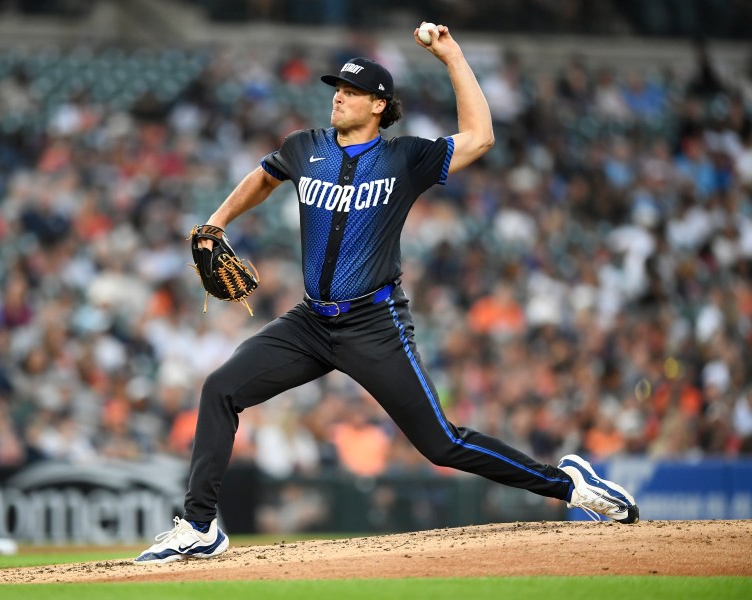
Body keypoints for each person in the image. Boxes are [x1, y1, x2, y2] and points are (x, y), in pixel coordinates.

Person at [135, 24, 639, 564]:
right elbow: (264, 177)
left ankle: (570, 486)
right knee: (220, 389)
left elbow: (481, 137)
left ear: (379, 104)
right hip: (310, 323)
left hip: (374, 325)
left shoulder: (404, 158)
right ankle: (200, 526)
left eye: (351, 91)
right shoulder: (305, 147)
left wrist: (451, 56)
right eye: (336, 88)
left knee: (442, 443)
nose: (339, 96)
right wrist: (215, 222)